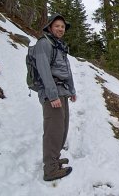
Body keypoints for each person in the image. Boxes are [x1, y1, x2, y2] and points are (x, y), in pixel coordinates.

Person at [34, 13, 76, 181]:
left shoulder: (59, 45)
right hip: (52, 94)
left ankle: (55, 158)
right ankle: (50, 169)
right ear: (50, 27)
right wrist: (52, 96)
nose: (60, 29)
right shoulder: (44, 44)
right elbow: (44, 71)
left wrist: (71, 90)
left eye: (63, 27)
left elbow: (67, 70)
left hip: (62, 92)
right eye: (57, 26)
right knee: (53, 131)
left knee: (62, 129)